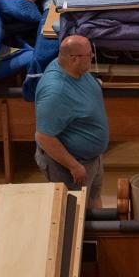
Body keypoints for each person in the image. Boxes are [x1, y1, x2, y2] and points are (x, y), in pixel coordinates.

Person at [34, 35, 109, 209]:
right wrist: (74, 166)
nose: (92, 58)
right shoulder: (56, 92)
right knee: (72, 213)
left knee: (92, 200)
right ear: (74, 59)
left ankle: (98, 235)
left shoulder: (75, 70)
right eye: (89, 55)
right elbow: (44, 137)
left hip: (92, 159)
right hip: (71, 165)